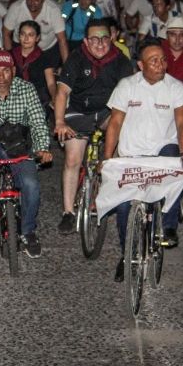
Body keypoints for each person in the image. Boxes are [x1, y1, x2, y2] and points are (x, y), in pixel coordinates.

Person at [103, 37, 183, 281]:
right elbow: (115, 124)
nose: (161, 65)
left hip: (162, 154)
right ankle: (126, 254)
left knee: (175, 160)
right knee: (123, 208)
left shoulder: (175, 88)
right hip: (132, 157)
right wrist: (107, 159)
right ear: (141, 65)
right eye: (154, 61)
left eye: (163, 60)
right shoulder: (126, 86)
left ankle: (169, 226)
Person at [0, 50, 53, 257]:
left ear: (14, 71)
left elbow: (37, 121)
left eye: (6, 71)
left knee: (31, 185)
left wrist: (43, 148)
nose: (1, 76)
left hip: (19, 148)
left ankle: (28, 231)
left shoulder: (27, 89)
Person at [54, 19, 133, 234]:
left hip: (108, 112)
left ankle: (107, 193)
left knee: (122, 140)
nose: (100, 44)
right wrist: (59, 122)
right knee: (73, 159)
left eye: (104, 38)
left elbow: (131, 95)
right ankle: (68, 212)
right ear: (86, 41)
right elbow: (62, 93)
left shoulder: (121, 61)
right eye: (94, 39)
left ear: (112, 38)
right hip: (80, 110)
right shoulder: (76, 58)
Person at [3, 0, 70, 62]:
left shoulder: (53, 10)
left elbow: (62, 39)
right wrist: (10, 60)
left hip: (47, 49)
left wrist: (67, 68)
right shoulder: (16, 8)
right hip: (20, 48)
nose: (31, 2)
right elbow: (6, 33)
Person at [11, 20, 59, 111]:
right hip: (15, 98)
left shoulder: (44, 58)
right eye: (23, 34)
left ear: (37, 38)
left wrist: (54, 97)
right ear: (19, 36)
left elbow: (51, 83)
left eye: (31, 35)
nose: (26, 38)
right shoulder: (10, 55)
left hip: (38, 99)